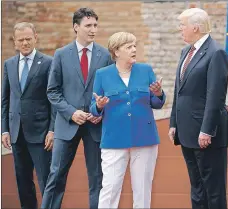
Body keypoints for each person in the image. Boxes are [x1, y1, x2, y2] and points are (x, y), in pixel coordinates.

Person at [41, 8, 113, 209]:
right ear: (76, 27)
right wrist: (71, 112)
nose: (93, 30)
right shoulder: (61, 55)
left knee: (97, 178)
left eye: (95, 25)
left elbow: (110, 90)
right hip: (66, 125)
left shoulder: (105, 55)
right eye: (88, 25)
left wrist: (99, 111)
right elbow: (52, 91)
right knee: (55, 176)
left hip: (95, 126)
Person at [168, 8, 228, 209]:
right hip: (186, 132)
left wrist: (207, 130)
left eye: (183, 25)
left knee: (213, 189)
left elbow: (215, 96)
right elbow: (179, 91)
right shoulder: (185, 52)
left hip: (206, 134)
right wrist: (174, 123)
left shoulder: (216, 53)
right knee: (197, 187)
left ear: (196, 27)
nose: (180, 29)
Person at [90, 31, 165, 208]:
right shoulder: (102, 74)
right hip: (114, 140)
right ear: (116, 51)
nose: (134, 49)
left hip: (144, 138)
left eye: (134, 45)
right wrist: (99, 106)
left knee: (142, 189)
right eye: (129, 46)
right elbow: (93, 107)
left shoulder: (145, 70)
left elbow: (156, 103)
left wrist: (158, 93)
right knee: (110, 188)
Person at [1, 22, 55, 209]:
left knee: (46, 180)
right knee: (23, 182)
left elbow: (53, 99)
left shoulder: (48, 62)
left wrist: (52, 130)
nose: (25, 43)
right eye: (21, 40)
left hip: (41, 134)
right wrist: (4, 130)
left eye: (28, 39)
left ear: (35, 38)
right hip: (16, 134)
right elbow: (5, 100)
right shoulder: (8, 64)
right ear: (15, 42)